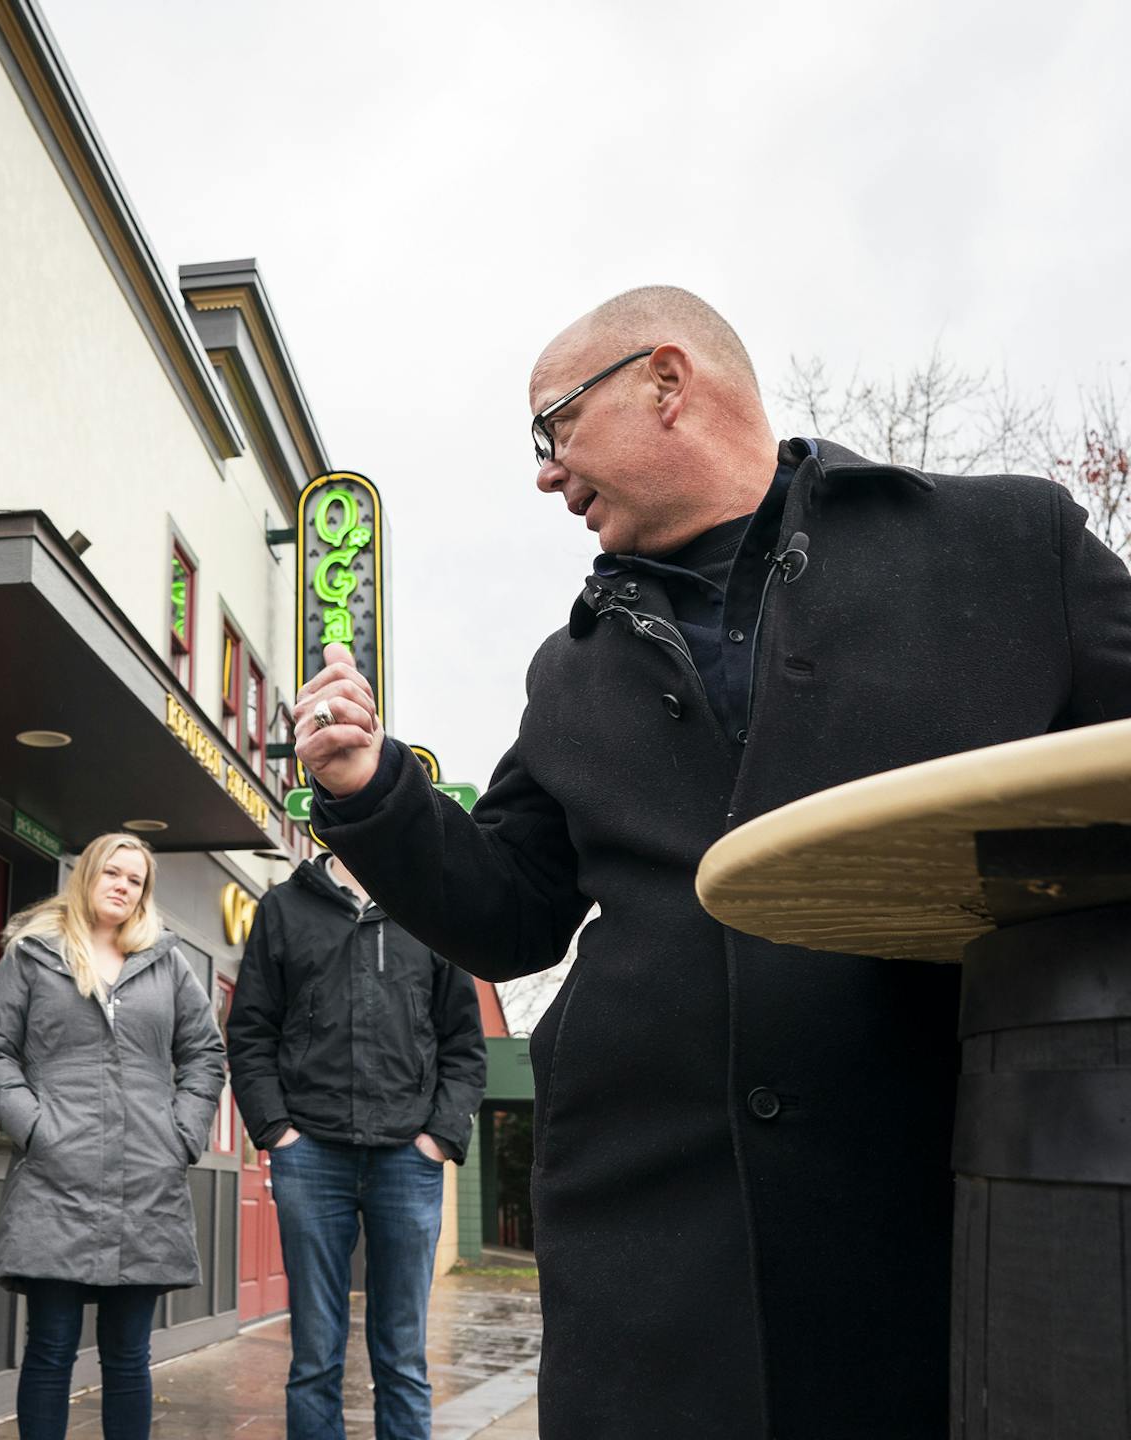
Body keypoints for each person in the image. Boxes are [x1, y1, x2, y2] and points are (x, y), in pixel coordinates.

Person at [293, 286, 1131, 1439]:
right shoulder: (568, 671)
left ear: (667, 382)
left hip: (946, 1224)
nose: (546, 474)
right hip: (653, 1264)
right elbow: (513, 912)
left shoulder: (1006, 547)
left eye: (556, 428)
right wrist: (373, 791)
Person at [225, 851, 485, 1440]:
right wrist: (278, 1134)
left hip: (408, 1158)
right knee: (314, 1356)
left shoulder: (431, 909)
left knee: (404, 1356)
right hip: (310, 1155)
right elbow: (250, 1033)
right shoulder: (284, 908)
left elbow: (465, 1043)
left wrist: (439, 1139)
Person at [0, 833, 226, 1440]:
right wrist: (35, 1129)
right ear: (87, 875)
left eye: (135, 879)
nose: (122, 885)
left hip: (146, 1181)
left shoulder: (165, 962)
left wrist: (182, 1135)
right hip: (53, 1179)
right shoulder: (33, 955)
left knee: (128, 1356)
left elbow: (204, 1053)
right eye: (112, 873)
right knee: (51, 1350)